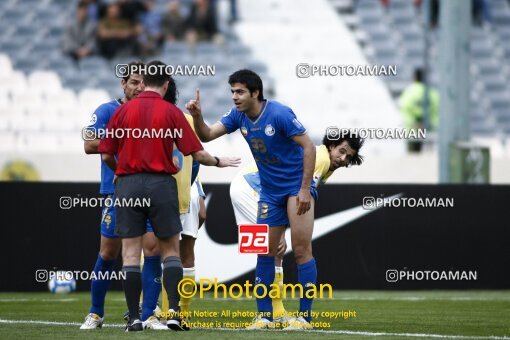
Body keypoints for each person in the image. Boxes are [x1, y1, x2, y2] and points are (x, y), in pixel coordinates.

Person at [98, 60, 240, 332]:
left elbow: (105, 154)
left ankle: (135, 318)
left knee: (130, 254)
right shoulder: (171, 113)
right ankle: (174, 313)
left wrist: (121, 172)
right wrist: (219, 161)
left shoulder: (122, 111)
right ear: (165, 85)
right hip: (162, 185)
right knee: (170, 252)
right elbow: (197, 153)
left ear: (144, 83)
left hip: (128, 186)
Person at [186, 69, 317, 330]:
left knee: (301, 250)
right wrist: (198, 117)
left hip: (295, 188)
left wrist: (304, 189)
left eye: (240, 92)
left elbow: (309, 147)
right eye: (232, 91)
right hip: (269, 191)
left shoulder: (279, 114)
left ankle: (305, 318)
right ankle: (264, 317)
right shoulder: (238, 116)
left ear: (255, 93)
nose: (234, 97)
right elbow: (206, 135)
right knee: (264, 252)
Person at [230, 130, 364, 323]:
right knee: (274, 247)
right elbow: (299, 197)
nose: (343, 158)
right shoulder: (322, 159)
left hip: (249, 185)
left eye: (348, 157)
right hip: (250, 188)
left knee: (274, 250)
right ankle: (274, 314)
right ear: (331, 146)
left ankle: (273, 313)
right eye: (341, 151)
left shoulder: (325, 163)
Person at [81, 61, 164, 330]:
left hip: (150, 191)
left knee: (152, 251)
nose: (139, 87)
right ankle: (95, 313)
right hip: (115, 191)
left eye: (143, 83)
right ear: (123, 84)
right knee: (108, 252)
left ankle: (149, 313)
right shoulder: (108, 110)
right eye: (134, 82)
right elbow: (89, 143)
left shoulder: (154, 112)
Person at [398, 68, 439, 153]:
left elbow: (404, 107)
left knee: (413, 156)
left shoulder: (409, 91)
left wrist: (415, 123)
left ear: (414, 77)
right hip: (428, 128)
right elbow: (436, 108)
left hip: (412, 129)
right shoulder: (431, 92)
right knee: (429, 155)